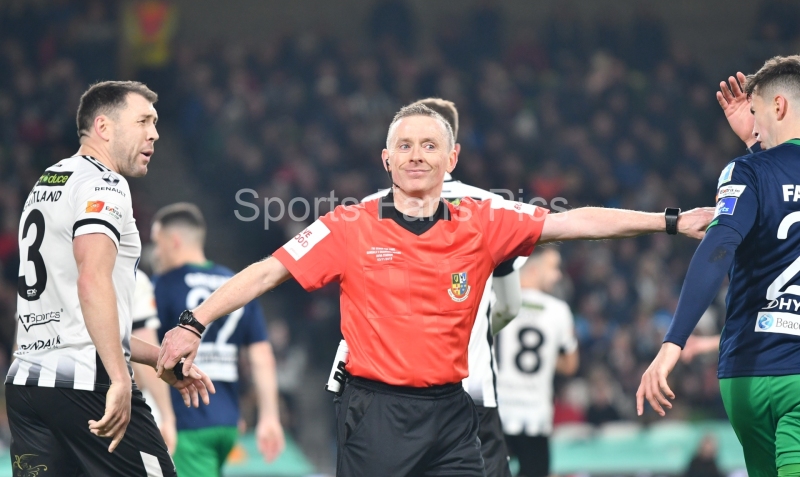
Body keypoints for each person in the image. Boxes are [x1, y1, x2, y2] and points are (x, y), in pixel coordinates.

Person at [158, 103, 712, 477]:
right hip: (374, 412)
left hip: (451, 411)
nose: (416, 154)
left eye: (430, 145)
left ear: (452, 160)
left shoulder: (483, 221)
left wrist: (669, 221)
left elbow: (576, 223)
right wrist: (192, 322)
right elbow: (266, 272)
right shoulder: (348, 225)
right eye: (405, 145)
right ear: (387, 158)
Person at [7, 81, 214, 476]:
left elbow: (77, 315)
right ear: (103, 127)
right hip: (88, 383)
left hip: (28, 387)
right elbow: (91, 279)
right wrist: (119, 378)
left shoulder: (48, 181)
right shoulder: (105, 183)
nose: (154, 133)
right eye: (143, 121)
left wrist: (158, 358)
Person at [637, 55, 800, 477]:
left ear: (778, 107)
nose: (754, 125)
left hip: (744, 375)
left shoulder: (746, 171)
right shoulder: (755, 164)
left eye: (756, 112)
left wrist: (672, 344)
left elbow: (718, 247)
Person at [349, 97, 524, 477]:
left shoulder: (369, 208)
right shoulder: (495, 209)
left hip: (387, 394)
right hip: (473, 384)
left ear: (449, 150)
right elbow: (510, 305)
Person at [150, 202, 285, 476]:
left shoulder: (164, 285)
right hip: (228, 421)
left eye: (157, 242)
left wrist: (165, 416)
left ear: (173, 241)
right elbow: (261, 356)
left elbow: (149, 349)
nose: (156, 252)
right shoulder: (235, 285)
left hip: (186, 419)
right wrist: (269, 416)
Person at [496, 247, 578, 477]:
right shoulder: (558, 311)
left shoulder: (493, 300)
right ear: (532, 269)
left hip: (496, 412)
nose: (558, 275)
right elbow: (570, 365)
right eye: (553, 268)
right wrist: (547, 355)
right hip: (534, 415)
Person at [130, 269, 178, 453]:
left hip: (44, 391)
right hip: (113, 399)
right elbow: (145, 348)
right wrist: (167, 417)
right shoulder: (131, 273)